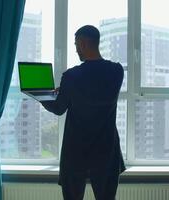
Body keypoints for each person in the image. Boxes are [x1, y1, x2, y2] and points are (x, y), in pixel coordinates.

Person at [41, 25, 125, 200]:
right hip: (106, 152)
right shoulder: (117, 71)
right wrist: (67, 90)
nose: (76, 49)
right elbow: (94, 92)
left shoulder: (71, 76)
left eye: (76, 44)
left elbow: (58, 108)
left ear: (83, 43)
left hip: (76, 153)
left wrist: (41, 95)